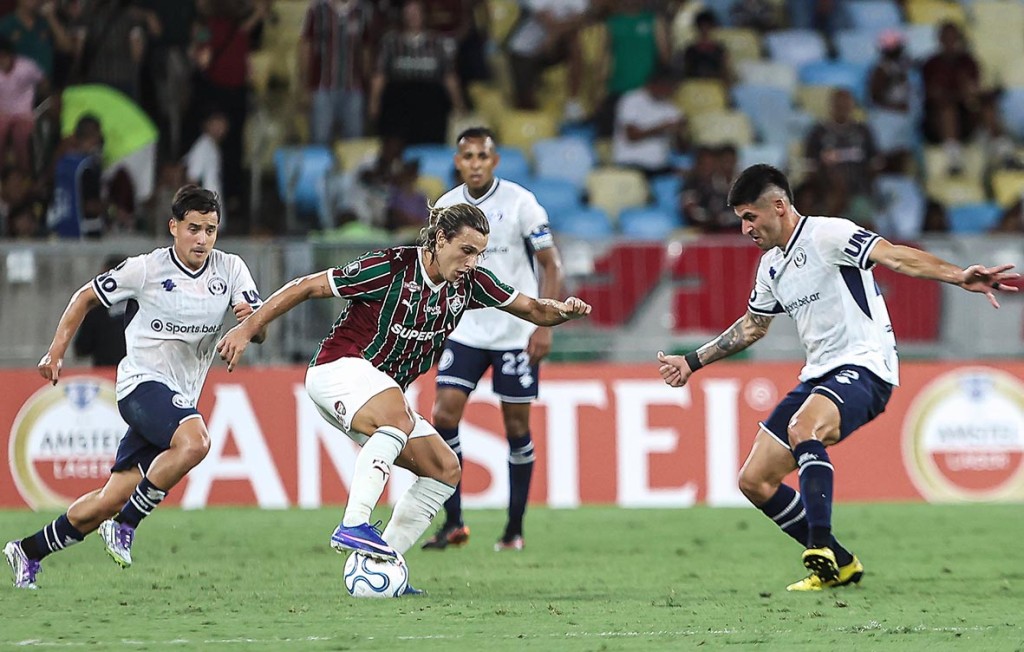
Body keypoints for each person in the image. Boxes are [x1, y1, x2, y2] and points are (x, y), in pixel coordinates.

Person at [656, 164, 1018, 592]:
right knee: (755, 481)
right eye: (741, 219)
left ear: (779, 206)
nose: (745, 229)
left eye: (750, 217)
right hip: (818, 375)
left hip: (866, 366)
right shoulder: (771, 266)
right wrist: (692, 362)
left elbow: (895, 255)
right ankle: (842, 565)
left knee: (802, 428)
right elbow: (753, 327)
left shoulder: (829, 234)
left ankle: (820, 546)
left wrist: (958, 275)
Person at [214, 202, 590, 593]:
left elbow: (533, 308)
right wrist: (247, 329)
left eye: (479, 254)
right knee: (398, 417)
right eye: (466, 251)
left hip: (379, 393)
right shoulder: (391, 267)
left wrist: (563, 311)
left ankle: (382, 568)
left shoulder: (471, 284)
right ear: (440, 239)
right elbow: (307, 286)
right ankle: (354, 523)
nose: (472, 262)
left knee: (444, 468)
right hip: (337, 369)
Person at [4, 185, 265, 590]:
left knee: (110, 498)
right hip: (140, 385)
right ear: (173, 227)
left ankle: (28, 551)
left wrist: (248, 326)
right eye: (193, 228)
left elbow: (257, 325)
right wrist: (54, 354)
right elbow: (84, 297)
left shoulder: (230, 269)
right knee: (196, 442)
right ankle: (125, 526)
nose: (202, 239)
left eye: (210, 230)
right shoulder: (145, 270)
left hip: (178, 397)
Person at [419, 127, 563, 552]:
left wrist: (543, 325)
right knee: (443, 415)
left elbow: (551, 265)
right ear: (458, 162)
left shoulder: (520, 202)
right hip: (464, 329)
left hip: (515, 332)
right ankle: (454, 522)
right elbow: (431, 267)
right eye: (468, 157)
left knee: (516, 427)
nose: (476, 164)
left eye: (483, 156)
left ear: (494, 161)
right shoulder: (445, 207)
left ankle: (514, 530)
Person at [73, 254, 129, 367]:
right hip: (126, 372)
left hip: (107, 372)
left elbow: (82, 349)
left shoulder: (96, 311)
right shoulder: (95, 312)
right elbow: (81, 348)